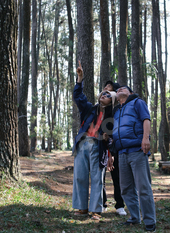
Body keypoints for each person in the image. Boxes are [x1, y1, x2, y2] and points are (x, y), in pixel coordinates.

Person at [72, 61, 117, 220]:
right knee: (80, 176)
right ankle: (82, 208)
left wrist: (107, 140)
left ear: (111, 101)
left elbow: (113, 138)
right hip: (83, 144)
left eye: (107, 95)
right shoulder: (89, 108)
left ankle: (96, 210)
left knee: (98, 179)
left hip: (99, 147)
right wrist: (80, 78)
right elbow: (78, 96)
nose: (104, 95)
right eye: (103, 93)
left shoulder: (111, 118)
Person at [112, 85, 156, 232]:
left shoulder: (137, 102)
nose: (119, 90)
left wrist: (145, 138)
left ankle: (149, 221)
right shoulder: (117, 111)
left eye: (123, 88)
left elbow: (146, 119)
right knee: (125, 189)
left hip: (137, 150)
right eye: (118, 90)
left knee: (143, 187)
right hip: (122, 153)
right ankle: (135, 217)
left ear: (130, 93)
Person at [101, 80, 127, 216]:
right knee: (100, 177)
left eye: (108, 87)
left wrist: (111, 149)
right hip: (100, 145)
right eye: (104, 86)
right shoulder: (99, 107)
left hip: (114, 146)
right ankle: (103, 203)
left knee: (117, 177)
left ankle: (119, 205)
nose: (105, 88)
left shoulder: (118, 109)